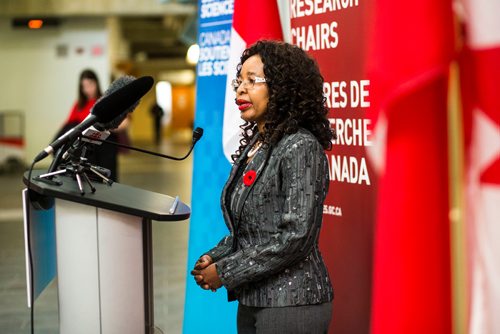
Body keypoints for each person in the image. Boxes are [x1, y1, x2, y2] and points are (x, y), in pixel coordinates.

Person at [190, 40, 335, 333]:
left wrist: (225, 271)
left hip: (293, 302)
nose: (241, 89)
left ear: (282, 88)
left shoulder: (300, 146)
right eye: (239, 81)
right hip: (254, 297)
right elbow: (254, 230)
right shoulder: (257, 145)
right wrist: (216, 256)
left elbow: (295, 237)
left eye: (252, 81)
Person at [55, 69, 126, 181]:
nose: (87, 89)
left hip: (104, 148)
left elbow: (124, 124)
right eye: (84, 86)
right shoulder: (79, 105)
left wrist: (105, 126)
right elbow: (67, 125)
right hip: (87, 151)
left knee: (106, 179)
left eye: (90, 85)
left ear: (96, 83)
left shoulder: (105, 101)